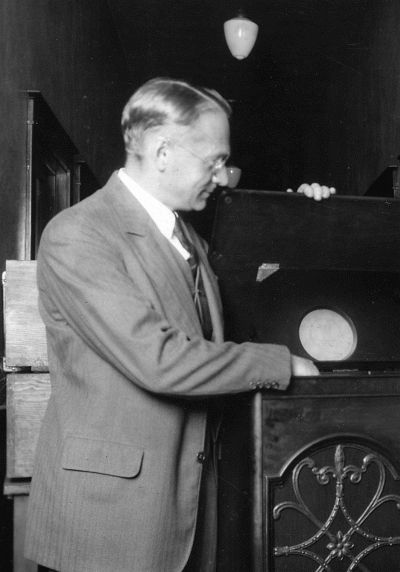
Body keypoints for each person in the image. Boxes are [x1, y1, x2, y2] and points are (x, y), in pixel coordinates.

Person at [24, 77, 335, 572]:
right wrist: (281, 364)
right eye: (213, 160)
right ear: (163, 151)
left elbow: (241, 319)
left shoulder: (188, 239)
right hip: (107, 524)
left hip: (184, 515)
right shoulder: (78, 234)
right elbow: (161, 360)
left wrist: (302, 220)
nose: (223, 175)